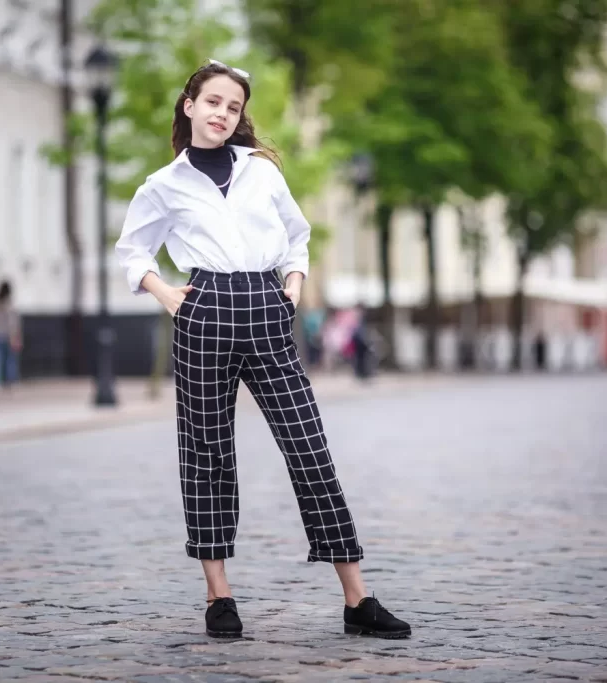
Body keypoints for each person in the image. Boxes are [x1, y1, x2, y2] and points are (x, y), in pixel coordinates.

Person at [115, 59, 410, 640]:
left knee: (309, 449)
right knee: (206, 453)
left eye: (234, 106)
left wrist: (293, 287)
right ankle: (218, 596)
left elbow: (295, 235)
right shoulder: (163, 186)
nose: (224, 113)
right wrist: (169, 296)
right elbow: (132, 253)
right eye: (214, 102)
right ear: (189, 105)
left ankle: (358, 598)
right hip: (204, 311)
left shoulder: (262, 172)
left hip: (266, 307)